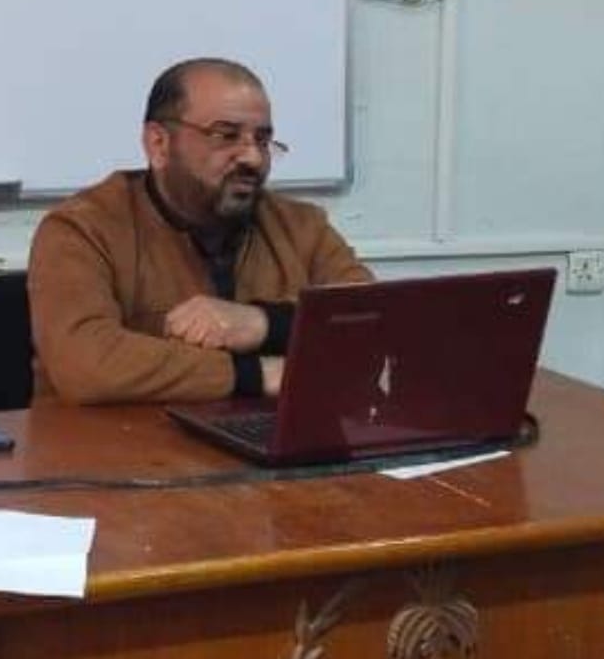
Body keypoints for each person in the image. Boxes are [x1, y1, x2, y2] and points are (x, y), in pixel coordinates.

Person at [27, 57, 372, 404]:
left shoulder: (301, 226)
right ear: (159, 144)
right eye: (226, 135)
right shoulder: (82, 229)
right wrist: (255, 374)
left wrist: (264, 323)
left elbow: (374, 320)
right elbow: (87, 363)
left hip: (267, 430)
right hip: (114, 436)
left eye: (263, 140)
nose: (253, 158)